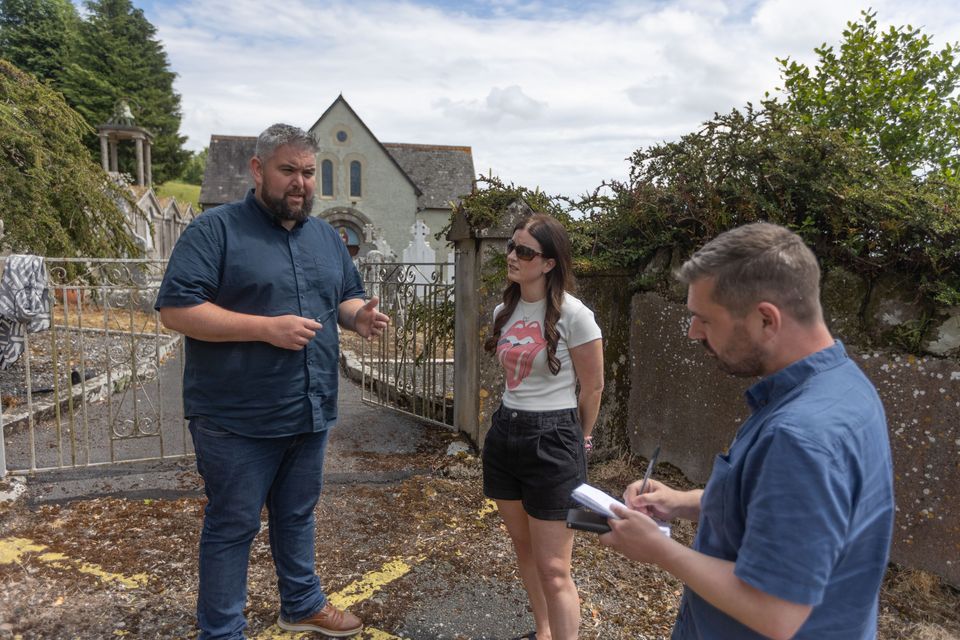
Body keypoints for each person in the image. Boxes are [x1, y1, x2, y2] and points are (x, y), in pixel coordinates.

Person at [600, 222, 895, 639]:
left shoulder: (800, 436)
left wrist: (661, 550)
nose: (693, 332)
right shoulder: (844, 385)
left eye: (704, 319)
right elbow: (782, 510)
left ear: (765, 319)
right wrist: (682, 502)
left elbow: (775, 612)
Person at [155, 123, 389, 640]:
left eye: (308, 172)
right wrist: (266, 329)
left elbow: (345, 296)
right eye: (289, 170)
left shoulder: (327, 236)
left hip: (309, 408)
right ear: (258, 170)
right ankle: (221, 631)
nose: (301, 183)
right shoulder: (215, 230)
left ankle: (301, 603)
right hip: (236, 416)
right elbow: (177, 309)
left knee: (298, 514)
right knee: (233, 526)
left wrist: (359, 318)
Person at [481, 213, 604, 640]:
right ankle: (543, 632)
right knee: (524, 549)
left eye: (525, 251)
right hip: (505, 435)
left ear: (549, 263)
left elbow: (593, 388)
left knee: (555, 569)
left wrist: (580, 437)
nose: (513, 257)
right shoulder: (504, 310)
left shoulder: (576, 315)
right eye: (512, 248)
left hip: (553, 440)